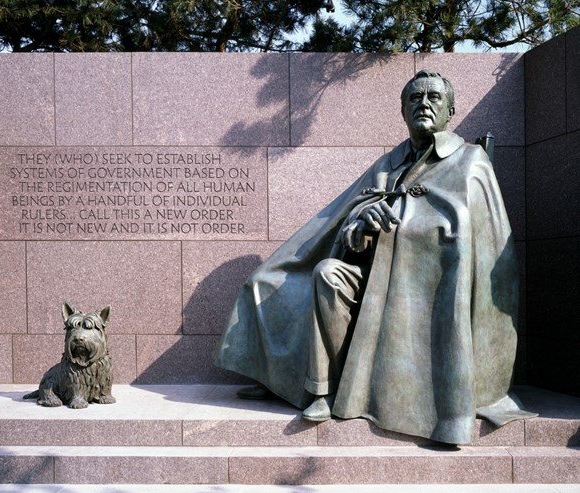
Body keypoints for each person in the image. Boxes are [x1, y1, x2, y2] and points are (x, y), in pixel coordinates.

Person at [214, 70, 535, 445]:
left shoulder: (470, 161)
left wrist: (401, 227)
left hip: (428, 292)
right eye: (414, 98)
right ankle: (318, 389)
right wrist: (361, 223)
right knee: (322, 273)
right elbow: (346, 226)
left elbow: (474, 240)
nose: (424, 104)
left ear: (451, 110)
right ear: (402, 110)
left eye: (433, 97)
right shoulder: (388, 163)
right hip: (372, 278)